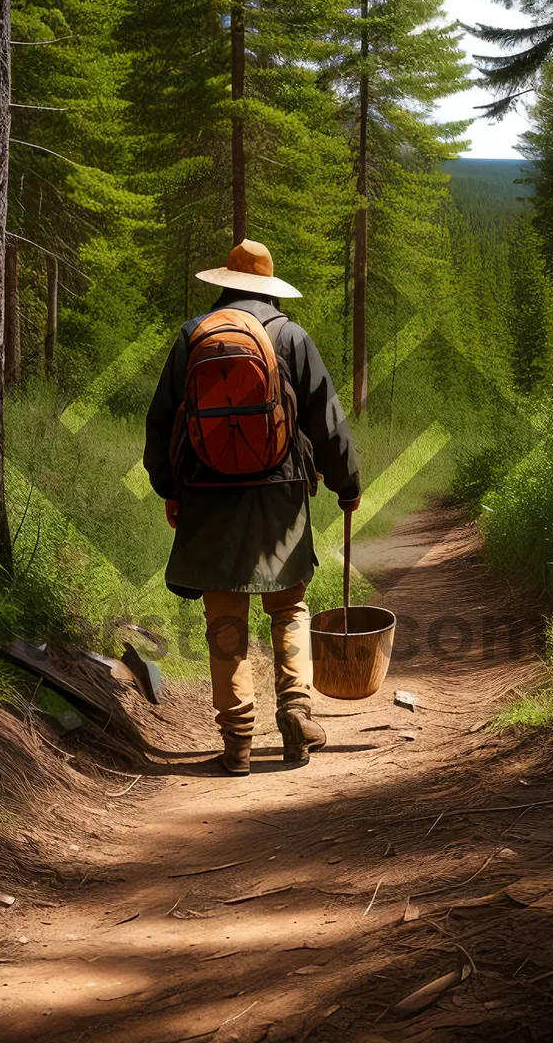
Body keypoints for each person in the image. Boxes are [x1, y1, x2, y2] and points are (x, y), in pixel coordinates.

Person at [144, 239, 361, 776]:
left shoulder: (193, 336)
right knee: (288, 609)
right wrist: (347, 484)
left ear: (223, 281)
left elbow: (161, 420)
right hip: (279, 494)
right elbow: (326, 420)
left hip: (206, 494)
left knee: (224, 619)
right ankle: (295, 713)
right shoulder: (290, 335)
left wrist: (170, 488)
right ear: (268, 286)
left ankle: (237, 738)